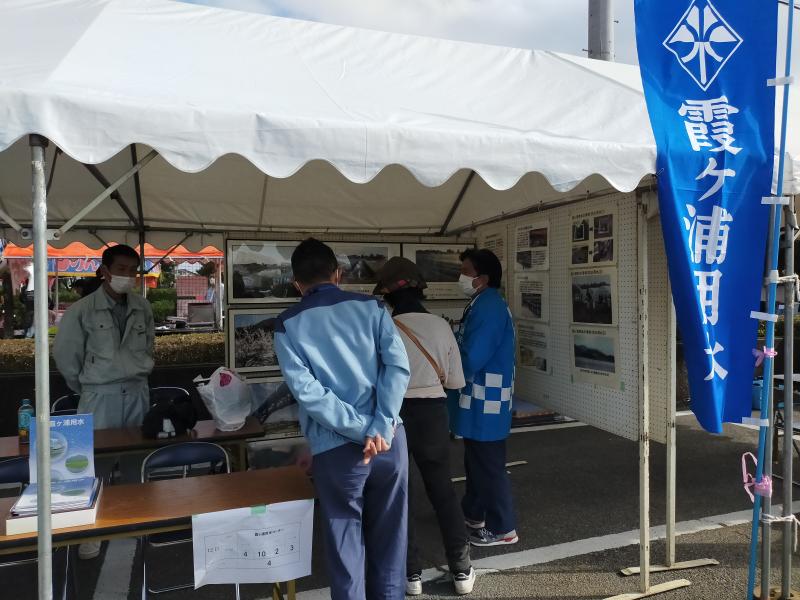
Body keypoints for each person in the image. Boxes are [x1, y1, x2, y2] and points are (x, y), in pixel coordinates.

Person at [274, 238, 410, 600]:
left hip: (337, 451)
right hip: (389, 444)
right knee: (391, 544)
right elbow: (398, 367)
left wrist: (360, 429)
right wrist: (380, 426)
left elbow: (309, 394)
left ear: (296, 283)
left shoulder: (287, 324)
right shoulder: (374, 308)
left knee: (345, 547)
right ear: (338, 274)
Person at [374, 257, 475, 596]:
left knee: (400, 493)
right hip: (433, 411)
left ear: (386, 294)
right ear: (420, 288)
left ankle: (411, 575)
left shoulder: (385, 326)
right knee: (442, 490)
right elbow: (456, 381)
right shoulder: (440, 326)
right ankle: (462, 571)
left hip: (395, 412)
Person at [53, 244, 155, 559]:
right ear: (105, 270)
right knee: (90, 465)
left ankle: (134, 522)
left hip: (137, 392)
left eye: (133, 270)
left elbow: (149, 345)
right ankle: (90, 532)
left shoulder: (143, 308)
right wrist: (87, 387)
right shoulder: (82, 310)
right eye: (121, 269)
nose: (128, 276)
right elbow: (66, 357)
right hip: (99, 396)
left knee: (137, 461)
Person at [448, 248, 518, 547]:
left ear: (483, 278)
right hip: (478, 397)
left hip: (485, 399)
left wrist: (446, 370)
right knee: (476, 460)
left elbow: (473, 356)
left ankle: (503, 528)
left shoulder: (489, 307)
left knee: (488, 463)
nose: (461, 277)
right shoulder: (481, 302)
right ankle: (474, 512)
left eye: (466, 271)